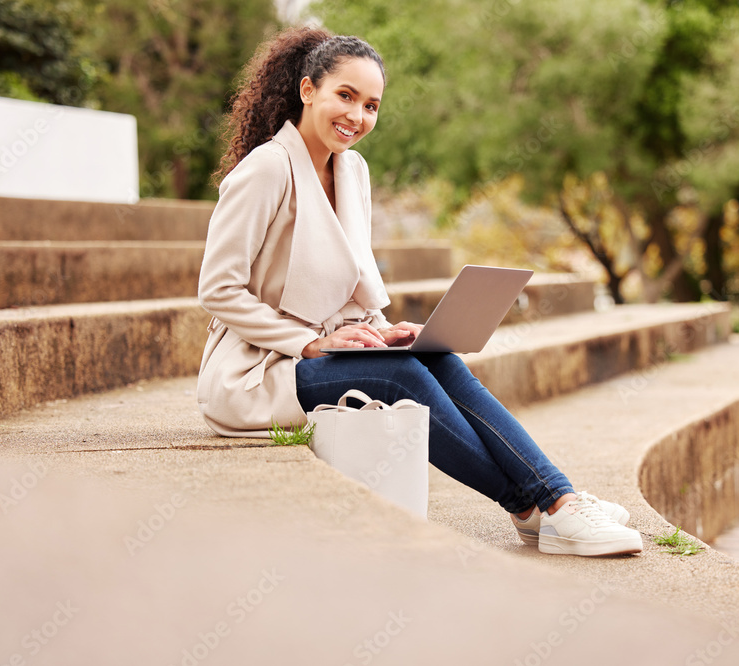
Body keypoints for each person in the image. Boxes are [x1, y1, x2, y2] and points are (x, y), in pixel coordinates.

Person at [197, 26, 642, 557]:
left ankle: (552, 503)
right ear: (307, 89)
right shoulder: (267, 170)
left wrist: (385, 330)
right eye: (346, 96)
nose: (357, 117)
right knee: (399, 374)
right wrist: (311, 344)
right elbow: (217, 289)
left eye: (371, 106)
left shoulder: (351, 170)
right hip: (255, 373)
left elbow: (348, 284)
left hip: (325, 352)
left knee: (432, 357)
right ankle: (541, 505)